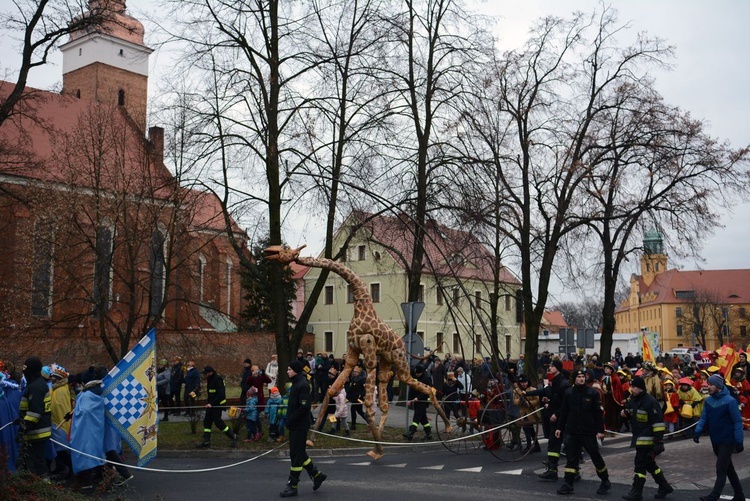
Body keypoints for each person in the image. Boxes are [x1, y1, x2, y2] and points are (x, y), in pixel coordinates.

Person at [554, 369, 611, 495]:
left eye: (583, 376)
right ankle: (568, 484)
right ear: (574, 378)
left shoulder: (592, 393)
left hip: (588, 432)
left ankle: (605, 481)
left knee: (595, 457)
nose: (581, 379)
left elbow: (598, 413)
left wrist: (600, 430)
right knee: (571, 459)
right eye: (579, 376)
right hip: (572, 431)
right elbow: (564, 412)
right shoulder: (569, 393)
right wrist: (559, 428)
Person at [693, 374, 745, 501]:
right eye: (708, 384)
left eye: (711, 384)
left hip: (727, 441)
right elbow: (704, 417)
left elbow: (737, 422)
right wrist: (697, 432)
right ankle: (739, 495)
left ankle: (714, 496)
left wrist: (739, 441)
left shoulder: (730, 401)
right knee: (729, 469)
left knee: (721, 468)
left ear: (719, 386)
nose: (708, 386)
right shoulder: (709, 401)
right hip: (715, 440)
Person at [621, 376, 673, 500]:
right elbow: (631, 413)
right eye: (631, 387)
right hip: (638, 437)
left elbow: (658, 423)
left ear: (640, 388)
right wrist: (625, 414)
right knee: (649, 464)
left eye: (634, 387)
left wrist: (659, 441)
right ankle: (664, 486)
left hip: (648, 439)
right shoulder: (633, 400)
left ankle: (636, 492)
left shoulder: (650, 401)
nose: (631, 389)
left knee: (639, 464)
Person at [280, 360, 326, 497]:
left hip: (299, 426)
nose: (287, 371)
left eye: (289, 369)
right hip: (294, 425)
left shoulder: (303, 385)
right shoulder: (296, 383)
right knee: (299, 453)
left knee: (296, 456)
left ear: (296, 370)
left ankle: (292, 485)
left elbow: (304, 407)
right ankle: (317, 475)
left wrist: (291, 419)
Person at [526, 358, 569, 481]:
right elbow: (546, 392)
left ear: (558, 369)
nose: (549, 367)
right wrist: (527, 394)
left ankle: (574, 471)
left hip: (561, 420)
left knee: (569, 446)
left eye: (552, 366)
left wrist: (556, 413)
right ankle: (552, 470)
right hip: (554, 420)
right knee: (553, 446)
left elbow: (565, 404)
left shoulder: (563, 384)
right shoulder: (555, 382)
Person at [19, 356, 51, 478]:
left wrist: (23, 427)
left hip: (36, 432)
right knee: (36, 463)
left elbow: (35, 412)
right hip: (37, 431)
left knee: (37, 465)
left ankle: (44, 491)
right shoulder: (38, 384)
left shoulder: (35, 387)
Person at [196, 366, 237, 448]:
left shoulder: (217, 379)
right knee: (207, 422)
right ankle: (206, 442)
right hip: (211, 405)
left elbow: (220, 394)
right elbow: (211, 393)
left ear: (210, 372)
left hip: (217, 405)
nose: (204, 375)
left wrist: (212, 404)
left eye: (205, 373)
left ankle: (233, 436)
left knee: (218, 423)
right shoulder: (210, 379)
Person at [402, 364, 433, 442]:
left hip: (423, 401)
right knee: (423, 420)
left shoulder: (427, 379)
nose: (417, 375)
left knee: (416, 417)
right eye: (416, 373)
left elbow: (427, 391)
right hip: (416, 401)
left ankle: (411, 433)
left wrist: (418, 398)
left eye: (418, 373)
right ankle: (428, 433)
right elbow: (412, 389)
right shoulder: (415, 378)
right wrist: (410, 399)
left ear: (422, 372)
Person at [345, 365, 368, 430]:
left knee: (353, 410)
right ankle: (369, 421)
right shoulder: (353, 379)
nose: (354, 373)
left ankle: (353, 425)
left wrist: (361, 395)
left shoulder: (362, 379)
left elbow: (365, 389)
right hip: (353, 397)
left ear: (359, 373)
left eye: (356, 372)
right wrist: (348, 396)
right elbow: (351, 388)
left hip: (358, 398)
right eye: (354, 371)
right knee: (360, 411)